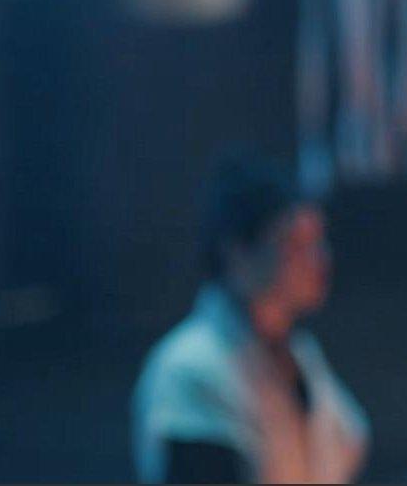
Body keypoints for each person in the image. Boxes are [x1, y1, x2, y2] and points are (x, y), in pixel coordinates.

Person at [131, 159, 369, 483]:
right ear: (238, 253)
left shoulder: (302, 355)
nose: (318, 260)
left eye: (317, 241)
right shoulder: (190, 368)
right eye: (294, 244)